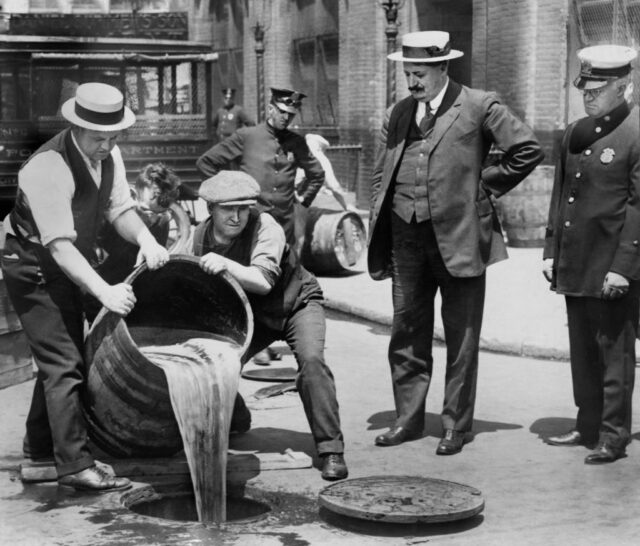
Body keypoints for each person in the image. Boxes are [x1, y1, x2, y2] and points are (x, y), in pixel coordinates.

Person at [368, 31, 544, 455]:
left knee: (462, 337)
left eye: (420, 73)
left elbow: (527, 150)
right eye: (408, 73)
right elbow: (381, 171)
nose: (413, 81)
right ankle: (407, 420)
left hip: (460, 237)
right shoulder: (398, 113)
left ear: (443, 67)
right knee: (406, 331)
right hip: (406, 237)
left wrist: (482, 188)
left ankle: (455, 425)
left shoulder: (480, 104)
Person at [0, 82, 170, 492]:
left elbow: (119, 208)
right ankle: (74, 466)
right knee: (63, 363)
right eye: (99, 138)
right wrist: (104, 292)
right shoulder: (46, 168)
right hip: (30, 264)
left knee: (66, 357)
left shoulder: (107, 153)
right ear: (76, 127)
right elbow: (59, 248)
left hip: (61, 261)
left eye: (114, 137)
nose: (107, 145)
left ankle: (40, 457)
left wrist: (146, 239)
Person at [190, 170, 348, 481]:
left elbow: (262, 281)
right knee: (219, 361)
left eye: (243, 208)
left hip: (297, 303)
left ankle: (331, 449)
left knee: (312, 363)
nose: (237, 217)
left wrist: (226, 263)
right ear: (211, 209)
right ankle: (236, 417)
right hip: (255, 315)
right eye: (227, 209)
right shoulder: (199, 236)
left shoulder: (266, 226)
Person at [543, 45, 639, 464]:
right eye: (585, 88)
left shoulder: (636, 133)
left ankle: (613, 435)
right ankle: (587, 424)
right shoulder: (575, 132)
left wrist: (623, 268)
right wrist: (551, 250)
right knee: (582, 348)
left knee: (614, 352)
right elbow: (560, 195)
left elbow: (637, 207)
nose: (589, 96)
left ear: (624, 86)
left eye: (598, 89)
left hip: (612, 266)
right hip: (576, 261)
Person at [196, 87, 325, 252]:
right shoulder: (247, 136)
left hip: (284, 224)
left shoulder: (297, 143)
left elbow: (317, 175)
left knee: (285, 271)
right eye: (282, 112)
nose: (286, 118)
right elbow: (205, 163)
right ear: (270, 109)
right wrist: (226, 196)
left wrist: (304, 201)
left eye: (291, 114)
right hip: (250, 223)